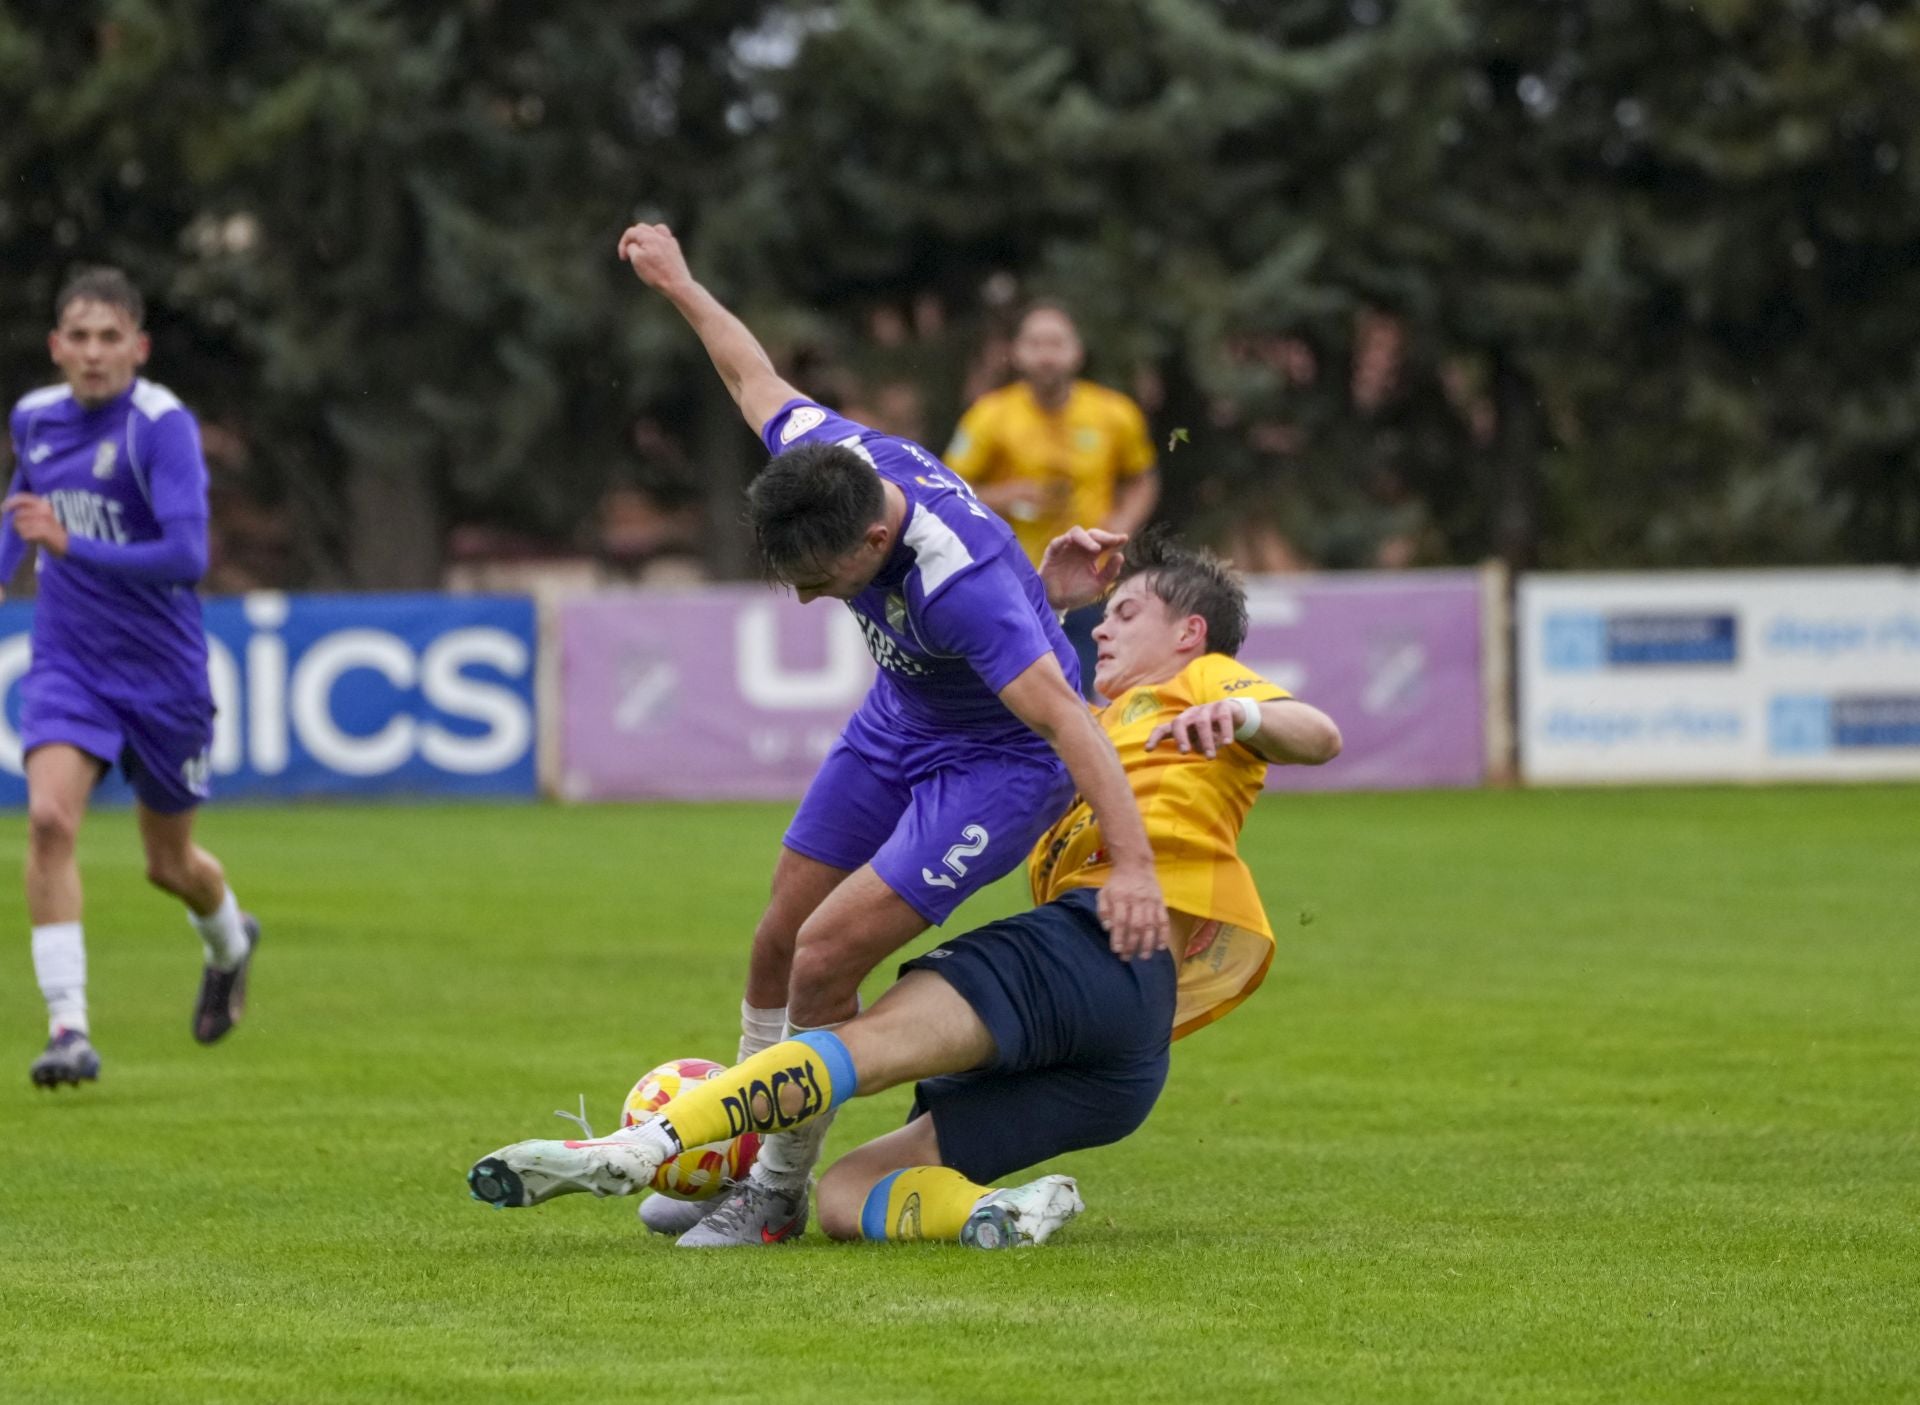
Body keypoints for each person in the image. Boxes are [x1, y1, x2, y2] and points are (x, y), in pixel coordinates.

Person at [468, 527, 1342, 1249]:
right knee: (851, 1195)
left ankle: (642, 1146)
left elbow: (1319, 733)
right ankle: (999, 1214)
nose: (1102, 632)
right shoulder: (1088, 720)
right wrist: (1051, 597)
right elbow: (1000, 689)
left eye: (1124, 612)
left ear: (1189, 633)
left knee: (863, 1043)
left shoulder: (1196, 683)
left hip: (1099, 951)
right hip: (1124, 1060)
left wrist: (1252, 715)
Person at [610, 223, 1169, 1246]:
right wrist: (683, 282)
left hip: (1002, 765)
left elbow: (1070, 723)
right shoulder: (827, 458)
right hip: (902, 718)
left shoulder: (967, 587)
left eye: (822, 586)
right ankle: (741, 1152)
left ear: (875, 539)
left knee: (825, 956)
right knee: (778, 932)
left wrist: (1132, 862)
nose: (810, 603)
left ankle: (775, 1191)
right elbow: (749, 372)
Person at [3, 268, 258, 1089]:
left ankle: (229, 941)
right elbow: (21, 518)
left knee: (168, 864)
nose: (92, 351)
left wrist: (71, 546)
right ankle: (68, 1026)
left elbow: (187, 557)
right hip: (70, 662)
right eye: (77, 336)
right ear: (56, 347)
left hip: (163, 676)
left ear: (137, 348)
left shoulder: (161, 426)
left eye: (110, 336)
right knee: (48, 819)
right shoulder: (35, 418)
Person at [946, 302, 1159, 696]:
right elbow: (947, 488)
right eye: (1035, 343)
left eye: (1057, 343)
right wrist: (1005, 495)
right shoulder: (990, 416)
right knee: (1014, 696)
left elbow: (1142, 480)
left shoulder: (1114, 413)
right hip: (1011, 581)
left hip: (1089, 583)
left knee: (1089, 694)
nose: (1046, 355)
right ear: (1018, 352)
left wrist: (1122, 523)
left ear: (1077, 352)